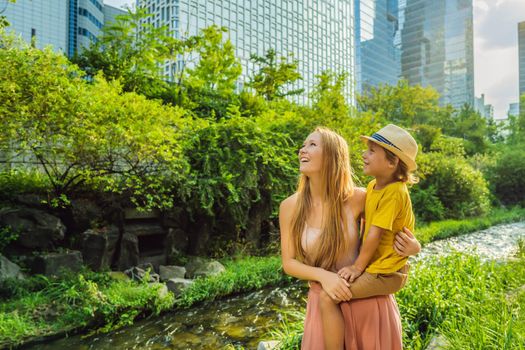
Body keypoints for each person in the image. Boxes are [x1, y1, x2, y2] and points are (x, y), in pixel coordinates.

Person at [279, 126, 420, 350]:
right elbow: (289, 263)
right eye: (303, 145)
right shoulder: (289, 207)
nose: (302, 150)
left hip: (369, 306)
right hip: (324, 307)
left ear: (333, 156)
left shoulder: (360, 197)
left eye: (312, 145)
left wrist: (414, 247)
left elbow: (392, 226)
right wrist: (325, 277)